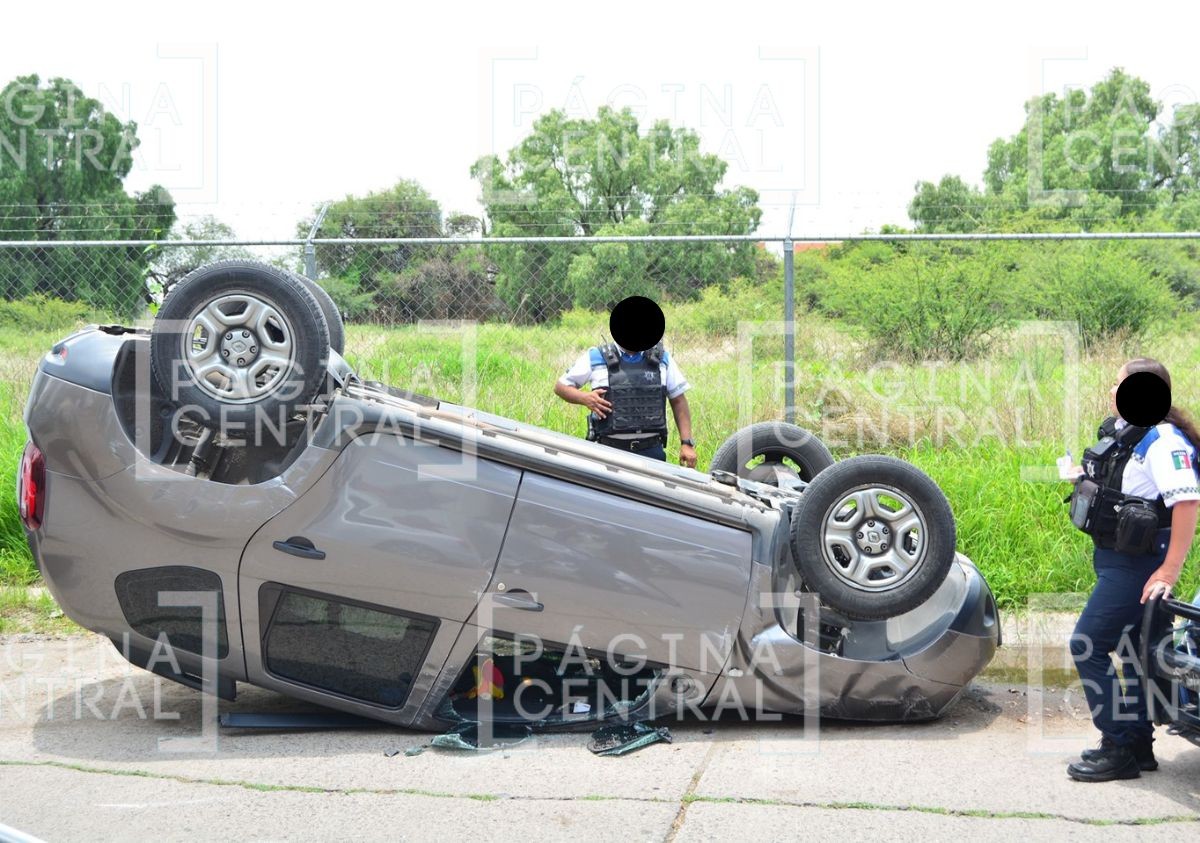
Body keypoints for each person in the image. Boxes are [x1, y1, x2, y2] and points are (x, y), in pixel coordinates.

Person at [1065, 358, 1200, 782]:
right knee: (1136, 653)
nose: (1112, 392)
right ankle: (1138, 743)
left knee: (1087, 643)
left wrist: (1168, 571)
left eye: (1121, 385)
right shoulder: (1131, 435)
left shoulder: (1163, 440)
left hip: (1139, 565)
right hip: (1118, 559)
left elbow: (1188, 502)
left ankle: (1118, 744)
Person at [554, 340, 697, 467]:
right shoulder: (596, 356)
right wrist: (584, 398)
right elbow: (561, 387)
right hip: (607, 452)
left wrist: (687, 443)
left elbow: (678, 400)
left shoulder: (662, 358)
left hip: (651, 452)